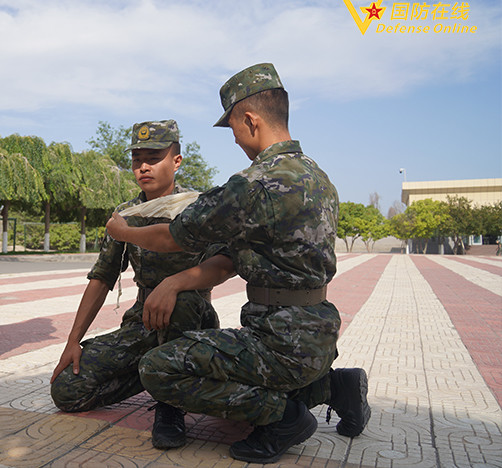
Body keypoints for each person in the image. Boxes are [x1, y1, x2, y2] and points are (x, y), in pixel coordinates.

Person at [106, 64, 370, 463]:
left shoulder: (253, 185)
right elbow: (232, 256)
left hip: (276, 340)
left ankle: (284, 418)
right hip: (319, 334)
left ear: (250, 120)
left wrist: (122, 232)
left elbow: (171, 235)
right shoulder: (318, 177)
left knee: (158, 368)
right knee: (248, 366)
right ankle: (335, 388)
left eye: (232, 129)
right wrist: (178, 282)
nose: (234, 140)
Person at [50, 120, 230, 449]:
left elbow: (223, 265)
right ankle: (156, 375)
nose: (143, 167)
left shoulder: (199, 210)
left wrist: (174, 284)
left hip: (190, 322)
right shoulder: (127, 217)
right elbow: (103, 276)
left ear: (176, 160)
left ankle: (170, 406)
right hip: (143, 322)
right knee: (67, 389)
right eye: (137, 160)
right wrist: (73, 341)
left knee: (182, 302)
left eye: (153, 157)